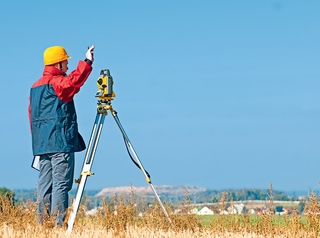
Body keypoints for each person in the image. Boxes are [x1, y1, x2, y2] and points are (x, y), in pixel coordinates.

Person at [28, 45, 95, 227]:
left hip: (42, 145)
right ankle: (58, 225)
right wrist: (87, 62)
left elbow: (31, 115)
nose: (67, 65)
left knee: (44, 185)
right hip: (59, 142)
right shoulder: (56, 83)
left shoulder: (35, 87)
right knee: (61, 184)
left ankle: (43, 226)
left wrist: (39, 140)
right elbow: (73, 82)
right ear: (58, 64)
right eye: (66, 62)